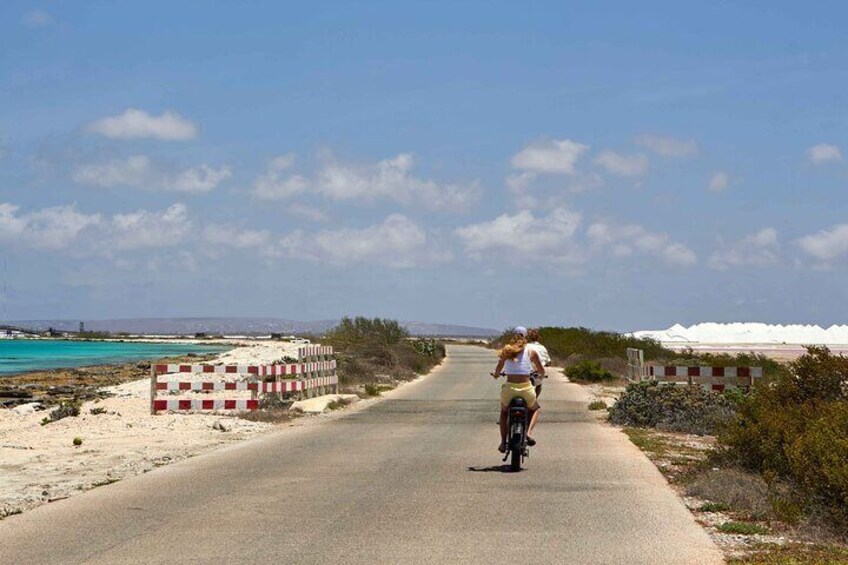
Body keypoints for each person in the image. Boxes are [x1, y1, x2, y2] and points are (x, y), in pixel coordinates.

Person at [491, 326, 545, 453]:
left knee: (504, 412)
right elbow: (541, 369)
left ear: (513, 336)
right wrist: (541, 375)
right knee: (535, 409)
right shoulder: (531, 351)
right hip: (526, 388)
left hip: (509, 389)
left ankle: (503, 443)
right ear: (526, 336)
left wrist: (496, 374)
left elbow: (499, 367)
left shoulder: (507, 350)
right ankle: (529, 433)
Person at [524, 328, 550, 397]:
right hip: (536, 372)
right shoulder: (542, 347)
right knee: (538, 385)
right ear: (538, 337)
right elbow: (548, 361)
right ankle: (534, 400)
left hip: (524, 371)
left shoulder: (524, 346)